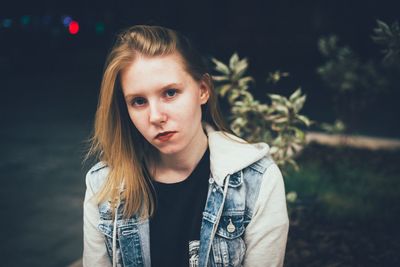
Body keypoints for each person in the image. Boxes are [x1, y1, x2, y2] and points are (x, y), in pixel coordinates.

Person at [83, 25, 289, 267]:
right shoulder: (104, 185)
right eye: (138, 101)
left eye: (170, 93)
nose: (156, 116)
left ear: (203, 90)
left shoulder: (256, 182)